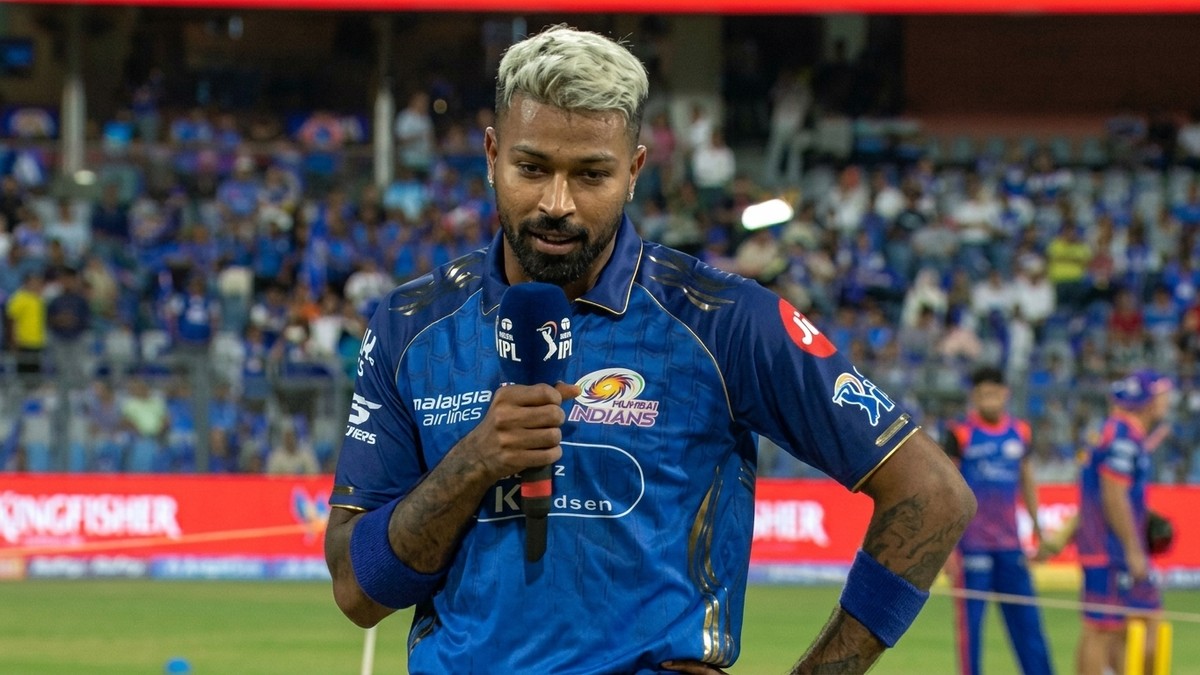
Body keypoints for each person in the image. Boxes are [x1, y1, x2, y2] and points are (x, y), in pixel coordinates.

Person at [324, 25, 975, 674]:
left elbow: (932, 493)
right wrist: (473, 463)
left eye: (591, 174)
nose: (557, 203)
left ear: (634, 170)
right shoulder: (412, 325)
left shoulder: (724, 320)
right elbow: (358, 592)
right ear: (492, 155)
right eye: (532, 168)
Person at [943, 366, 1054, 675]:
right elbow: (947, 491)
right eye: (983, 395)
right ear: (974, 397)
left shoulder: (1021, 431)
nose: (989, 400)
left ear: (1006, 394)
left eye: (994, 393)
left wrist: (1038, 529)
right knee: (970, 629)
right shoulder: (960, 433)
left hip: (1010, 546)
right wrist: (947, 549)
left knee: (1028, 625)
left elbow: (1027, 481)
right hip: (971, 546)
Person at [1075, 369, 1172, 675]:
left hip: (1106, 543)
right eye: (1163, 394)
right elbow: (1113, 493)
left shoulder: (1119, 431)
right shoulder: (1123, 436)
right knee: (1101, 629)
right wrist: (1133, 549)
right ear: (1148, 400)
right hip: (1108, 548)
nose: (1167, 400)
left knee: (1120, 626)